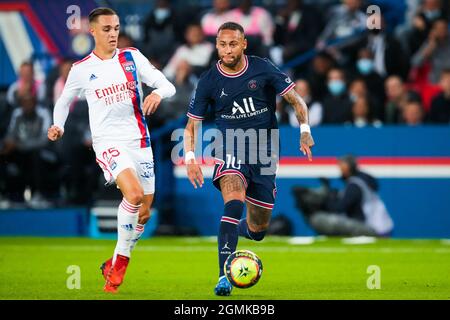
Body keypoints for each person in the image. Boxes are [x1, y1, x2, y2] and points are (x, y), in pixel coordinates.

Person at [47, 7, 176, 293]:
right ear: (92, 31)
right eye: (106, 29)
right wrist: (59, 126)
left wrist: (156, 92)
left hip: (139, 141)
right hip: (108, 142)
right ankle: (120, 266)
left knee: (143, 213)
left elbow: (168, 86)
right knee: (133, 194)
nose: (113, 34)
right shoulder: (81, 69)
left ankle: (113, 260)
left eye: (116, 28)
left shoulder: (132, 57)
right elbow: (63, 101)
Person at [183, 22, 314, 296]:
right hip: (230, 147)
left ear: (244, 44)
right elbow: (192, 124)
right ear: (216, 45)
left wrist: (304, 130)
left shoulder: (263, 68)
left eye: (232, 44)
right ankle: (223, 276)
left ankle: (232, 233)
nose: (227, 50)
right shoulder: (208, 80)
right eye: (222, 44)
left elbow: (296, 100)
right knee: (233, 203)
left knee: (258, 230)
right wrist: (191, 157)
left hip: (265, 152)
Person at [294, 155, 394, 237]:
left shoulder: (354, 184)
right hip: (382, 228)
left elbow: (340, 208)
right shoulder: (362, 180)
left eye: (342, 165)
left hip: (374, 229)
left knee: (319, 219)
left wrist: (325, 202)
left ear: (348, 167)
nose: (340, 168)